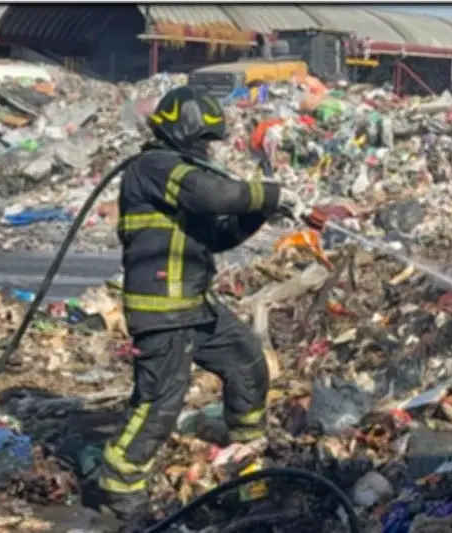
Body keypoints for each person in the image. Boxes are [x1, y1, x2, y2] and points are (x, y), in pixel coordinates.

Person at [97, 86, 307, 519]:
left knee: (246, 361)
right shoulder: (154, 167)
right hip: (162, 309)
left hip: (194, 304)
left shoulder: (179, 177)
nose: (208, 147)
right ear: (185, 127)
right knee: (161, 400)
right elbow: (210, 196)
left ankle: (246, 455)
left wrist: (259, 213)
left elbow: (218, 235)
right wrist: (270, 193)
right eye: (204, 138)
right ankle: (120, 487)